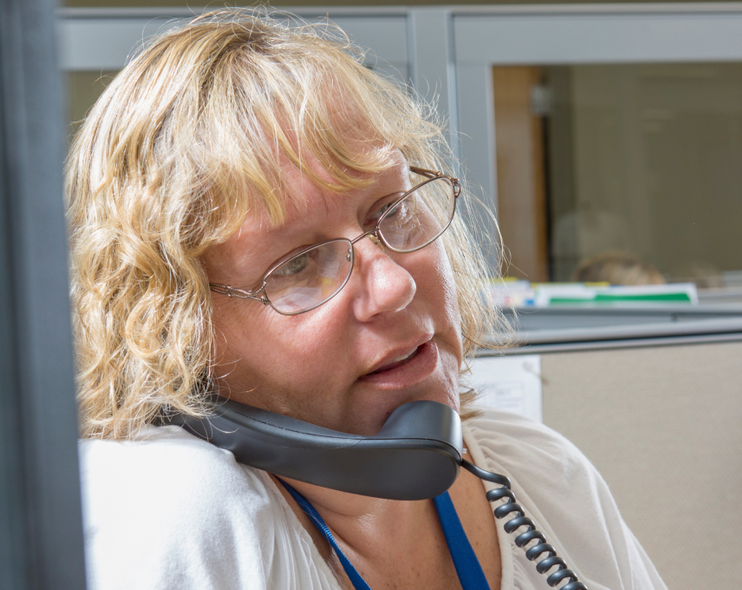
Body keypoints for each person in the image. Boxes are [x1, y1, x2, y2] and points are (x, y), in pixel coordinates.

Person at [68, 11, 667, 590]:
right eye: (299, 263)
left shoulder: (536, 476)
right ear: (174, 331)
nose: (395, 285)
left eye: (393, 211)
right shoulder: (183, 519)